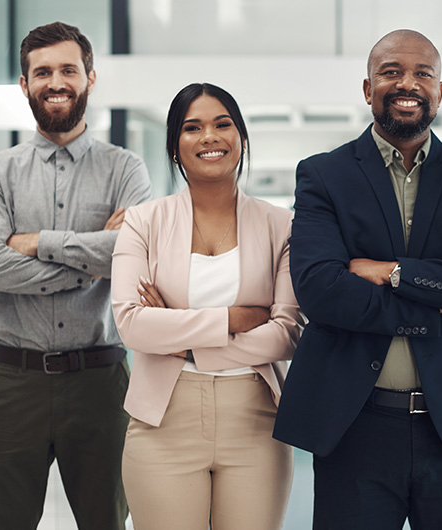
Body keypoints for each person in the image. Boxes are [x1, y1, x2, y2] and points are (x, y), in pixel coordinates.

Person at [273, 29, 442, 529]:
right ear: (368, 89)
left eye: (422, 73)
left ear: (439, 91)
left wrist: (391, 273)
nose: (407, 83)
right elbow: (321, 291)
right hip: (355, 424)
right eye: (391, 72)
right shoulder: (323, 176)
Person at [0, 21, 151, 530]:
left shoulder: (126, 170)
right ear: (25, 84)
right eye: (42, 71)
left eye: (68, 69)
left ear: (90, 78)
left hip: (101, 382)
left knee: (106, 522)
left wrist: (39, 243)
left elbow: (134, 255)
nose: (56, 81)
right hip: (13, 384)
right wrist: (91, 260)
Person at [110, 83, 302, 530]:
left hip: (257, 422)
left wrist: (182, 338)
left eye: (222, 124)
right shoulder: (143, 222)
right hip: (163, 422)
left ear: (241, 137)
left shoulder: (284, 225)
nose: (209, 137)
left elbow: (287, 332)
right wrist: (235, 319)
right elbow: (133, 326)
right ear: (175, 146)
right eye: (192, 128)